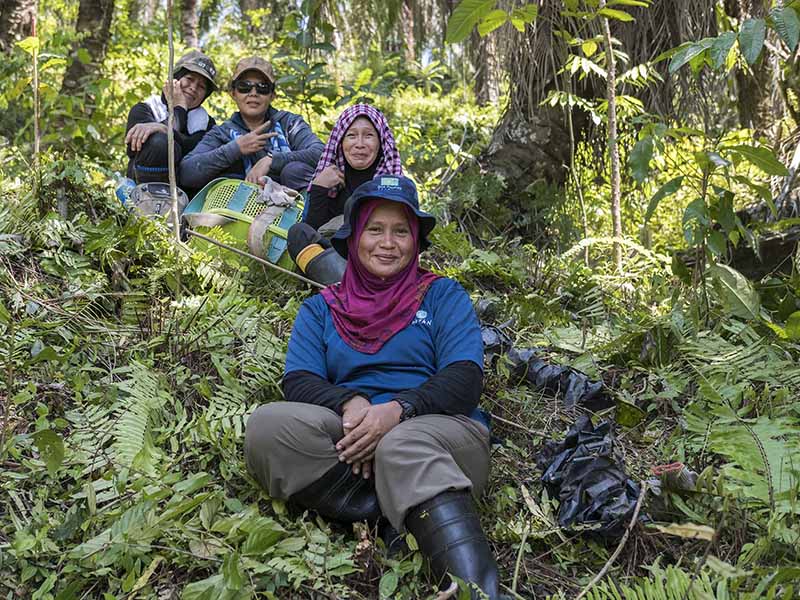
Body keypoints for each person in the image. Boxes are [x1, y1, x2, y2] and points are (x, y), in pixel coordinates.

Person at [244, 176, 509, 600]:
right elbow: (299, 380)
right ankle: (391, 516)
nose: (388, 243)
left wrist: (399, 411)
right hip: (352, 431)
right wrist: (351, 405)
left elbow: (464, 379)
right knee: (267, 427)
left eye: (401, 231)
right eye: (375, 230)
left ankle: (475, 590)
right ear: (353, 238)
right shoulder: (321, 307)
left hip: (437, 435)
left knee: (401, 444)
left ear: (416, 240)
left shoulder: (442, 295)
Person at [286, 104, 402, 284]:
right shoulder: (330, 178)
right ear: (341, 141)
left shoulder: (393, 184)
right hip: (334, 261)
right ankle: (345, 288)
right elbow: (312, 230)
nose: (360, 144)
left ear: (380, 143)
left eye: (369, 135)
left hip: (378, 260)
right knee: (298, 233)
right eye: (352, 135)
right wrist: (319, 188)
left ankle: (356, 290)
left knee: (353, 208)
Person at [179, 56, 323, 193]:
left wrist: (272, 160)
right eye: (244, 86)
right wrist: (236, 148)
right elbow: (187, 172)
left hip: (294, 207)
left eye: (262, 87)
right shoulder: (222, 133)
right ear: (233, 93)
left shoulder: (289, 123)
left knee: (294, 170)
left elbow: (320, 152)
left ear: (272, 95)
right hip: (243, 209)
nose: (253, 93)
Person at [125, 50, 218, 185]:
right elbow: (135, 147)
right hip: (142, 187)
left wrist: (161, 127)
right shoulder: (145, 108)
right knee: (160, 142)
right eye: (189, 79)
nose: (193, 88)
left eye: (201, 86)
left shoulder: (207, 124)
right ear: (175, 78)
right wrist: (179, 109)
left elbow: (196, 152)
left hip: (186, 192)